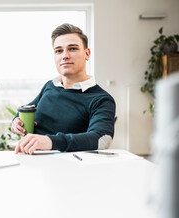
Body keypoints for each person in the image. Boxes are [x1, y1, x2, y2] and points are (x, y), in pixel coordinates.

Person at [12, 23, 116, 155]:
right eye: (59, 51)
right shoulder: (50, 86)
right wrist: (16, 121)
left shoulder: (101, 99)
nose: (64, 55)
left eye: (72, 49)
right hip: (29, 160)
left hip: (68, 168)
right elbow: (27, 110)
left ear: (87, 54)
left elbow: (102, 139)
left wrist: (50, 142)